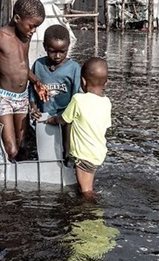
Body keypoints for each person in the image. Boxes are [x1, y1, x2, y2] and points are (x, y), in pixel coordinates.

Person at [0, 0, 47, 161]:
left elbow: (22, 67)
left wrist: (36, 81)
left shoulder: (25, 37)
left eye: (36, 27)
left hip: (22, 98)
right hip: (4, 97)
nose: (34, 31)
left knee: (23, 147)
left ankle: (19, 181)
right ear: (17, 18)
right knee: (11, 148)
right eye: (32, 26)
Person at [42, 57, 112, 201]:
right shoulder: (106, 102)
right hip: (98, 152)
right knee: (88, 183)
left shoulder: (78, 100)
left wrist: (51, 119)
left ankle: (90, 214)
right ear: (106, 82)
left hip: (84, 155)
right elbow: (105, 125)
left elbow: (64, 119)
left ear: (83, 81)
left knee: (85, 190)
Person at [29, 24, 81, 162]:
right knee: (44, 151)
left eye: (62, 51)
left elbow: (77, 96)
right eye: (52, 51)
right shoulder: (38, 65)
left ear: (68, 47)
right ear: (45, 47)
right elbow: (32, 91)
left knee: (66, 147)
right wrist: (33, 109)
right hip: (44, 115)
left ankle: (68, 159)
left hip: (65, 117)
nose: (57, 56)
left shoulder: (74, 68)